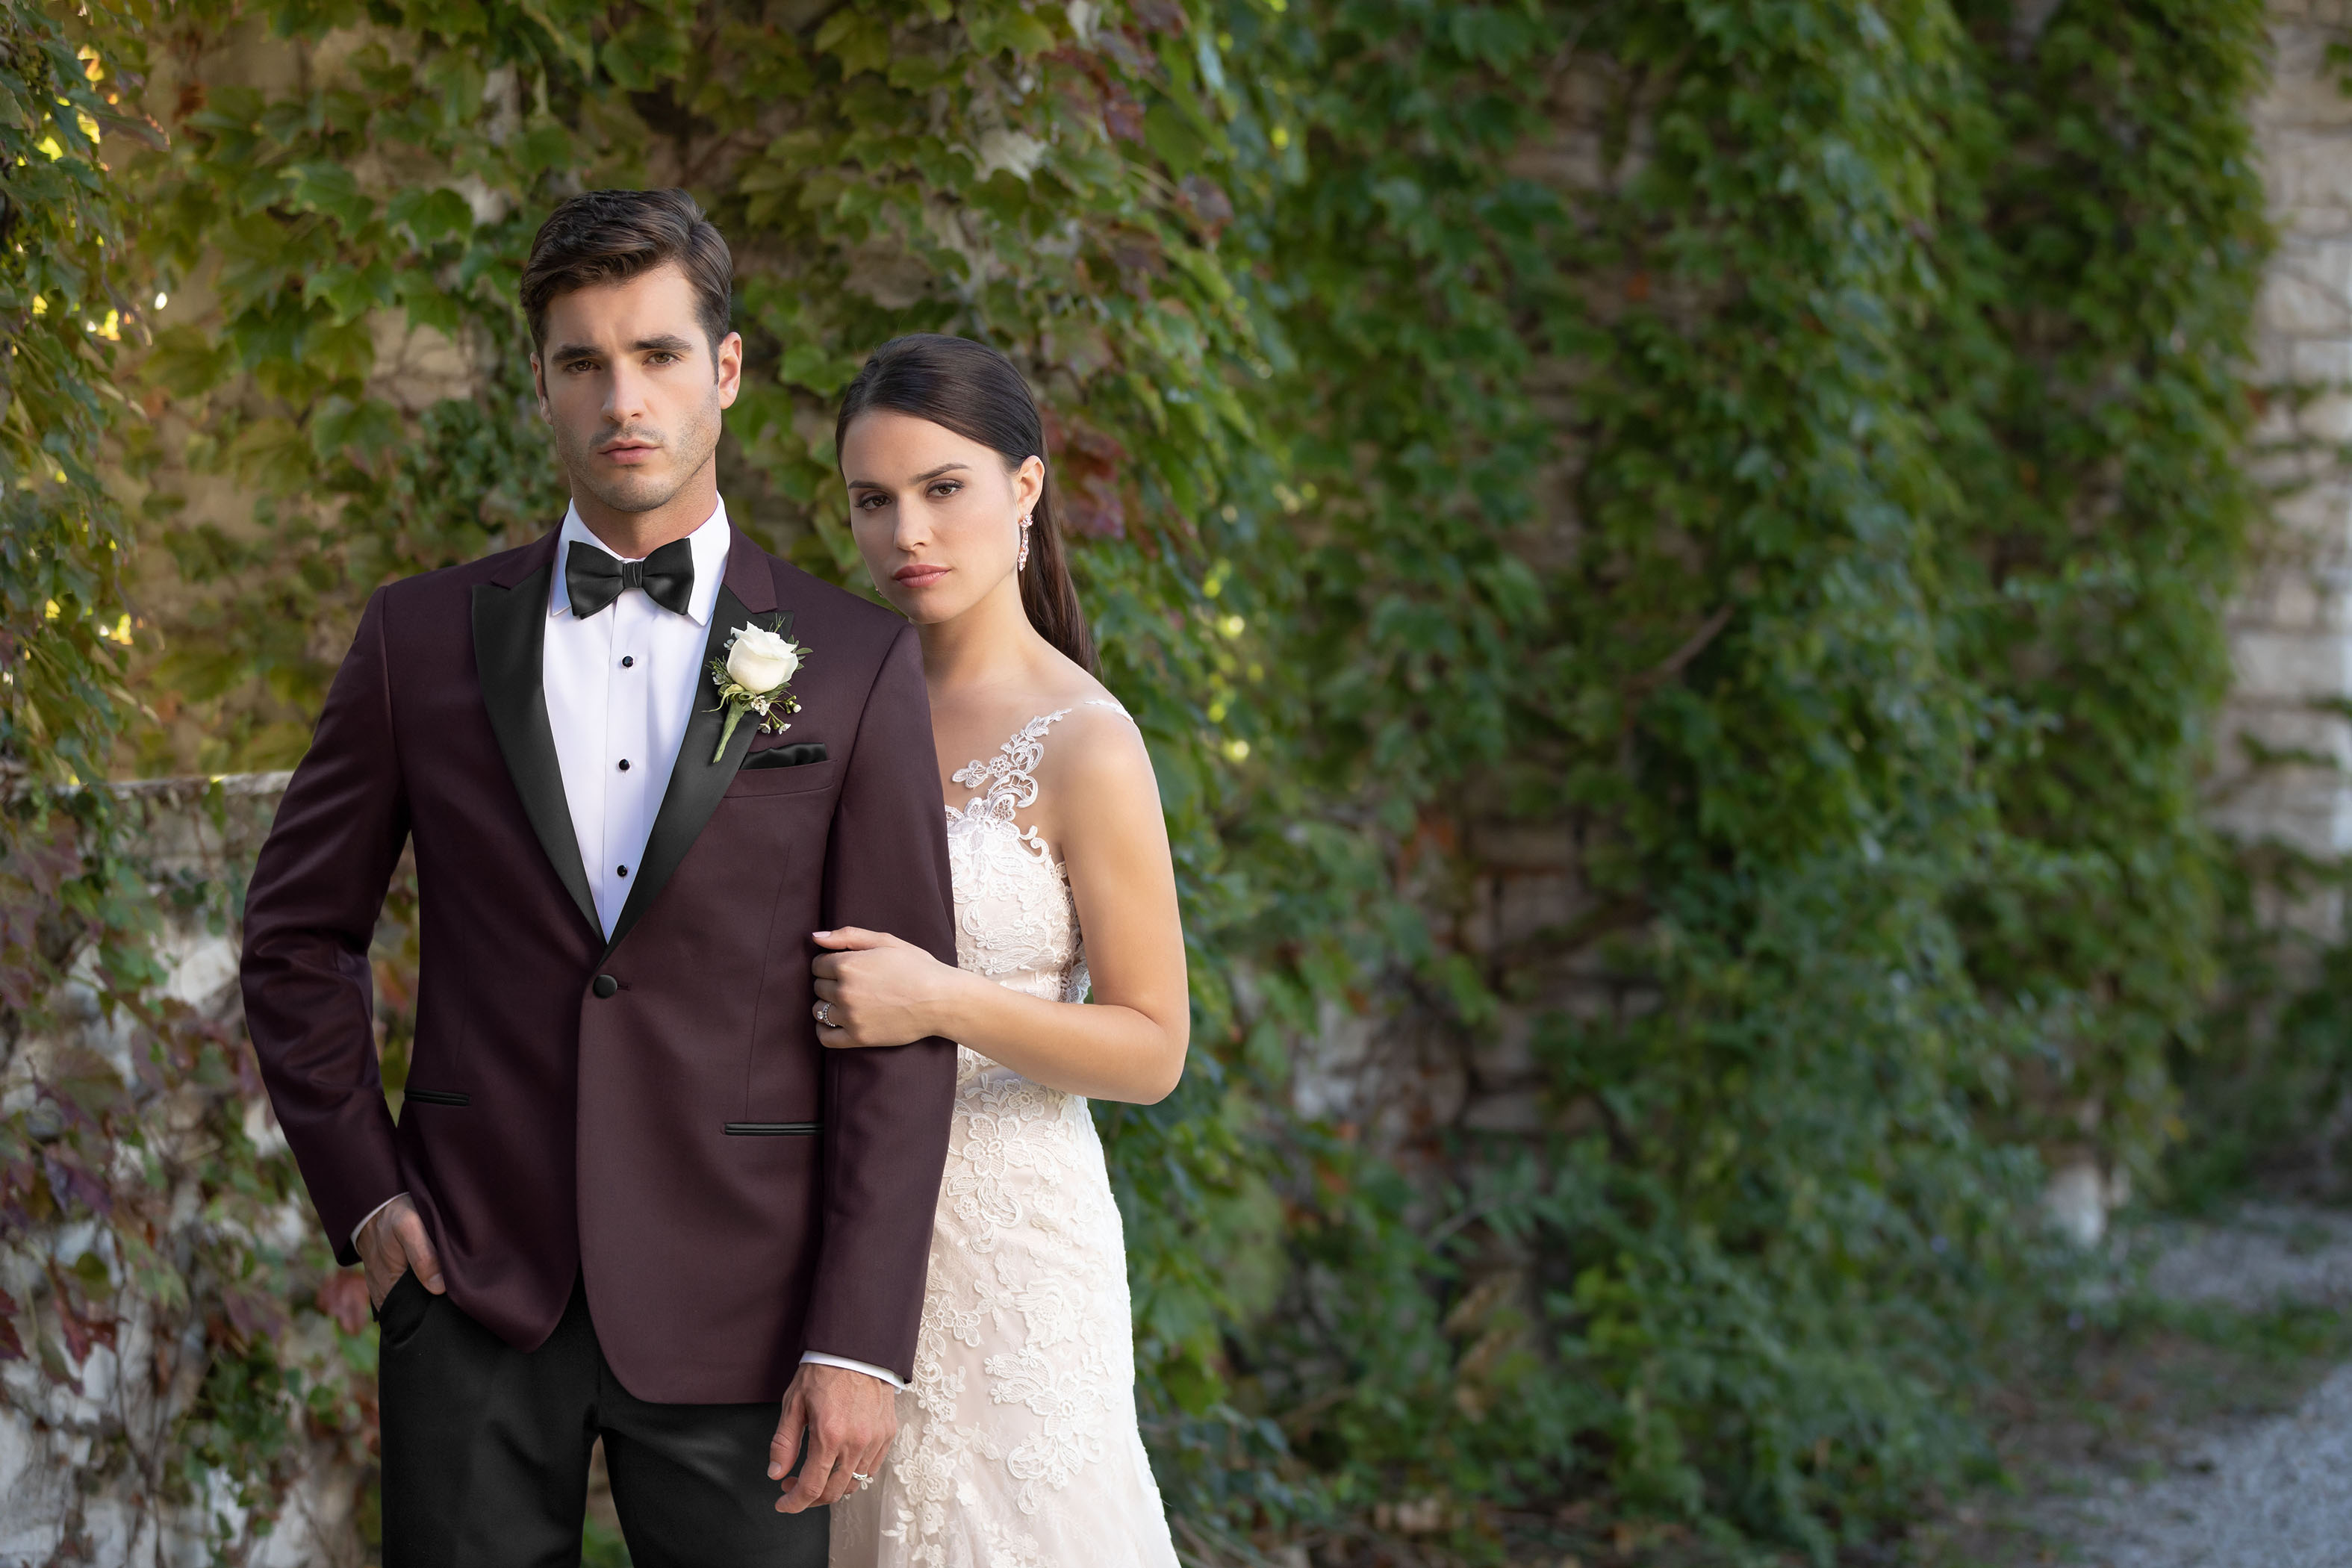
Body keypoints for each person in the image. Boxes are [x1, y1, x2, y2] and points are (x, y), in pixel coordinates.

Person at [238, 190, 959, 1567]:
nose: (621, 399)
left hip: (751, 1309)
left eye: (658, 356)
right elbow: (295, 933)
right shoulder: (420, 638)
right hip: (469, 1284)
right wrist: (367, 1195)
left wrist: (861, 1336)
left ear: (726, 371)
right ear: (542, 385)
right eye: (582, 363)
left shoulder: (855, 662)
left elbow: (897, 1022)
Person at [814, 335, 1189, 1567]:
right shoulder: (819, 707)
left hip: (1012, 1241)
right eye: (874, 501)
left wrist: (936, 997)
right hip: (837, 1232)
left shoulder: (1087, 741)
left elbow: (1149, 1049)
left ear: (1024, 490)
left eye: (942, 489)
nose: (905, 532)